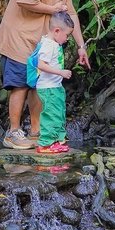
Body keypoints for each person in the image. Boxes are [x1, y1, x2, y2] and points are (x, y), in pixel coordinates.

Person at [0, 0, 91, 149]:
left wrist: (81, 46)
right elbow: (24, 1)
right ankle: (13, 132)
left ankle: (36, 131)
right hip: (19, 38)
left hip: (41, 44)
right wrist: (54, 9)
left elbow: (71, 14)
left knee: (38, 84)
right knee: (19, 84)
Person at [32, 11, 73, 154]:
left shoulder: (54, 44)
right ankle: (45, 144)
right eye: (66, 35)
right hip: (48, 88)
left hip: (55, 86)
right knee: (50, 113)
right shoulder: (48, 45)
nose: (67, 38)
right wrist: (61, 72)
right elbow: (41, 64)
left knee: (59, 112)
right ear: (57, 31)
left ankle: (57, 140)